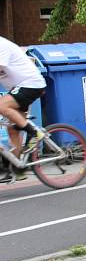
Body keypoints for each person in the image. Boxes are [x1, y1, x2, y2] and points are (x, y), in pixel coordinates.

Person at [0, 36, 46, 182]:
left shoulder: (1, 45)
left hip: (29, 84)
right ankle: (18, 168)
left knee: (2, 106)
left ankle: (35, 133)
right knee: (13, 130)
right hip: (20, 88)